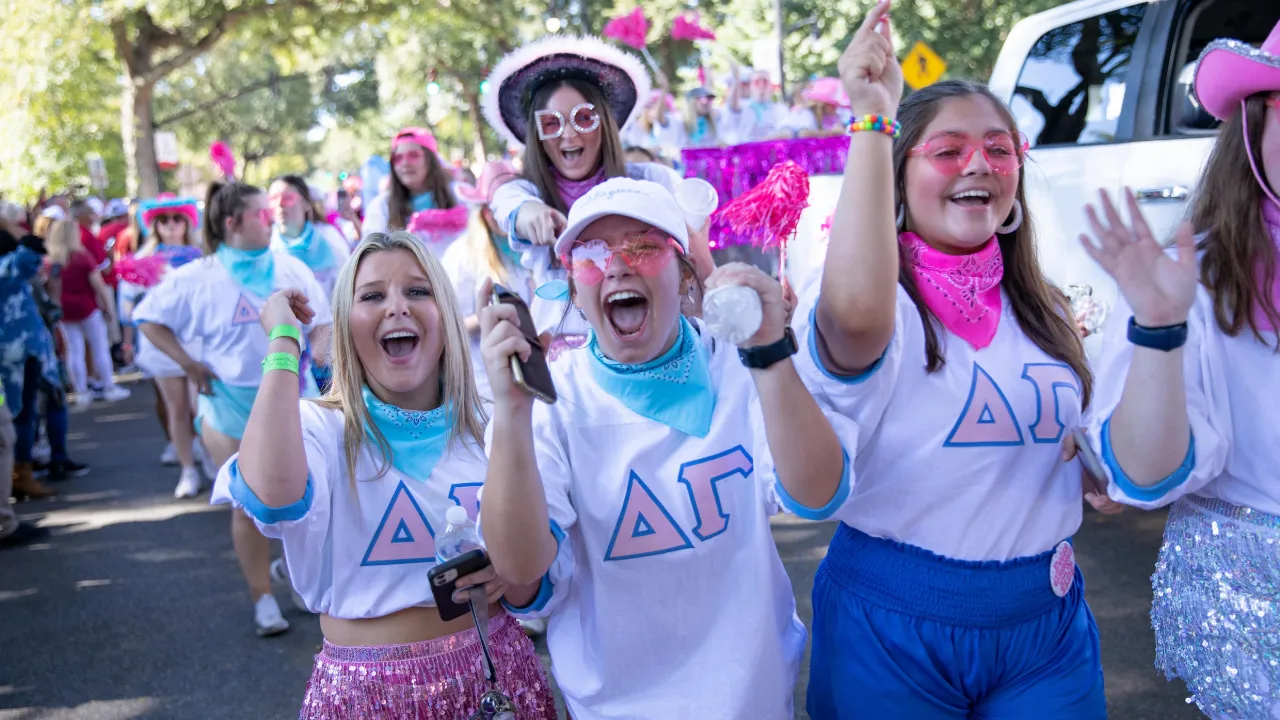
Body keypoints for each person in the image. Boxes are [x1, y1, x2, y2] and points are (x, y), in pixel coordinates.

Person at [795, 5, 1104, 717]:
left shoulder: (1051, 310)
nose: (978, 165)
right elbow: (853, 316)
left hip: (1047, 631)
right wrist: (873, 120)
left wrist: (1099, 464)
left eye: (1000, 150)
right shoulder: (873, 302)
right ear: (900, 178)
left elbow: (1085, 446)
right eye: (948, 150)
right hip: (892, 631)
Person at [480, 178, 853, 719]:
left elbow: (819, 496)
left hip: (754, 698)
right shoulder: (550, 403)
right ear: (573, 289)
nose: (616, 265)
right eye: (590, 253)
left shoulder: (738, 361)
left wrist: (771, 352)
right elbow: (519, 574)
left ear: (683, 276)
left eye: (642, 245)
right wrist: (513, 413)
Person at [212, 231, 556, 719]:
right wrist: (285, 341)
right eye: (372, 295)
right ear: (345, 326)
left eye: (418, 291)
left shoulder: (494, 418)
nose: (397, 307)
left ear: (446, 320)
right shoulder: (318, 426)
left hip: (496, 684)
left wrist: (508, 567)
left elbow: (530, 588)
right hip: (362, 698)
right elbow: (270, 497)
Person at [1079, 21, 1280, 719]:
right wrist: (1159, 330)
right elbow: (1145, 475)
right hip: (1248, 603)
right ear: (1254, 125)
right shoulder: (1192, 275)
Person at [134, 180, 333, 637]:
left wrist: (329, 375)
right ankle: (263, 598)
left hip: (291, 402)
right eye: (262, 213)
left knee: (302, 501)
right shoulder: (197, 276)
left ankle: (298, 581)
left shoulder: (290, 267)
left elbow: (321, 327)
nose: (272, 219)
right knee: (247, 507)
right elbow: (146, 317)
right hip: (226, 405)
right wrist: (188, 363)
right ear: (232, 223)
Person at [483, 35, 712, 353]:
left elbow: (701, 272)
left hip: (652, 355)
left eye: (584, 118)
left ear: (604, 122)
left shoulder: (655, 181)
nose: (569, 133)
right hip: (565, 366)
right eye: (551, 123)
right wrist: (529, 214)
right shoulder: (526, 192)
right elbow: (509, 203)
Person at [117, 197, 209, 496]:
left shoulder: (202, 257)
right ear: (154, 224)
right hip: (162, 345)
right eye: (164, 219)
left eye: (177, 218)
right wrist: (151, 319)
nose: (171, 224)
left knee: (205, 408)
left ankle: (214, 461)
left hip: (198, 343)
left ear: (187, 222)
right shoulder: (144, 258)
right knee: (177, 409)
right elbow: (127, 308)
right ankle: (188, 470)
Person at [440, 160, 533, 404]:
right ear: (483, 212)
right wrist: (485, 317)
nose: (501, 216)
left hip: (539, 370)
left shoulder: (538, 249)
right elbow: (447, 325)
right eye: (494, 207)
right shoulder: (462, 255)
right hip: (485, 381)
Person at [0, 221, 62, 502]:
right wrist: (7, 224)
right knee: (21, 415)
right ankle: (20, 476)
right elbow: (34, 250)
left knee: (19, 416)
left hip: (20, 350)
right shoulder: (8, 268)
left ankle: (18, 474)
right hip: (15, 354)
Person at [42, 219, 129, 405]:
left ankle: (81, 391)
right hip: (87, 307)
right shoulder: (82, 258)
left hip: (64, 311)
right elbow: (97, 284)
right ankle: (108, 386)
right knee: (99, 346)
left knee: (74, 350)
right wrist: (107, 306)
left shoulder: (49, 261)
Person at [361, 128, 466, 257]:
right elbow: (372, 256)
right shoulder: (381, 207)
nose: (405, 163)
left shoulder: (460, 194)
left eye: (413, 155)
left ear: (430, 159)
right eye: (398, 158)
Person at [268, 175, 351, 298]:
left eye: (287, 198)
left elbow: (347, 284)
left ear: (306, 204)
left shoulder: (328, 237)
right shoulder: (267, 245)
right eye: (273, 199)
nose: (280, 204)